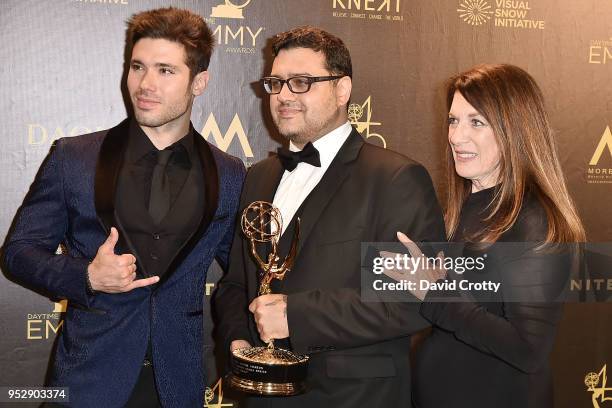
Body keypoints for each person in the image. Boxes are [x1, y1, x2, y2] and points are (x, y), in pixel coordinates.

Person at [3, 7, 245, 408]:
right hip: (87, 382)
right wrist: (87, 276)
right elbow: (18, 253)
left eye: (166, 71)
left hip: (178, 385)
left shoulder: (229, 172)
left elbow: (240, 274)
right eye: (138, 66)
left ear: (199, 81)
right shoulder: (74, 158)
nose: (145, 84)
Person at [213, 26, 446, 407]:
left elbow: (414, 300)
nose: (284, 95)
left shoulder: (395, 179)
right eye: (276, 83)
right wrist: (238, 340)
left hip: (353, 397)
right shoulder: (259, 176)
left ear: (342, 90)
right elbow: (236, 283)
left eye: (302, 82)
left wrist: (297, 315)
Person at [385, 63, 585, 408]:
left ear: (516, 130)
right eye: (453, 120)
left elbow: (528, 348)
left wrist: (435, 294)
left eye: (476, 122)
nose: (456, 136)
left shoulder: (535, 220)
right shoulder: (462, 207)